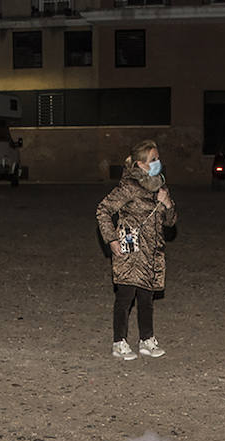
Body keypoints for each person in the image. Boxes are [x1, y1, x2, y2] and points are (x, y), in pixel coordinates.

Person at [95, 139, 177, 359]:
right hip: (130, 251)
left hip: (152, 253)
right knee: (125, 297)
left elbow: (171, 222)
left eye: (158, 158)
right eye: (153, 159)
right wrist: (111, 240)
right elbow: (103, 210)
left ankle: (146, 339)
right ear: (141, 164)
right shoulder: (129, 187)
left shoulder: (160, 186)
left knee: (146, 299)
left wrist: (167, 204)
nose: (158, 162)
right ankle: (119, 342)